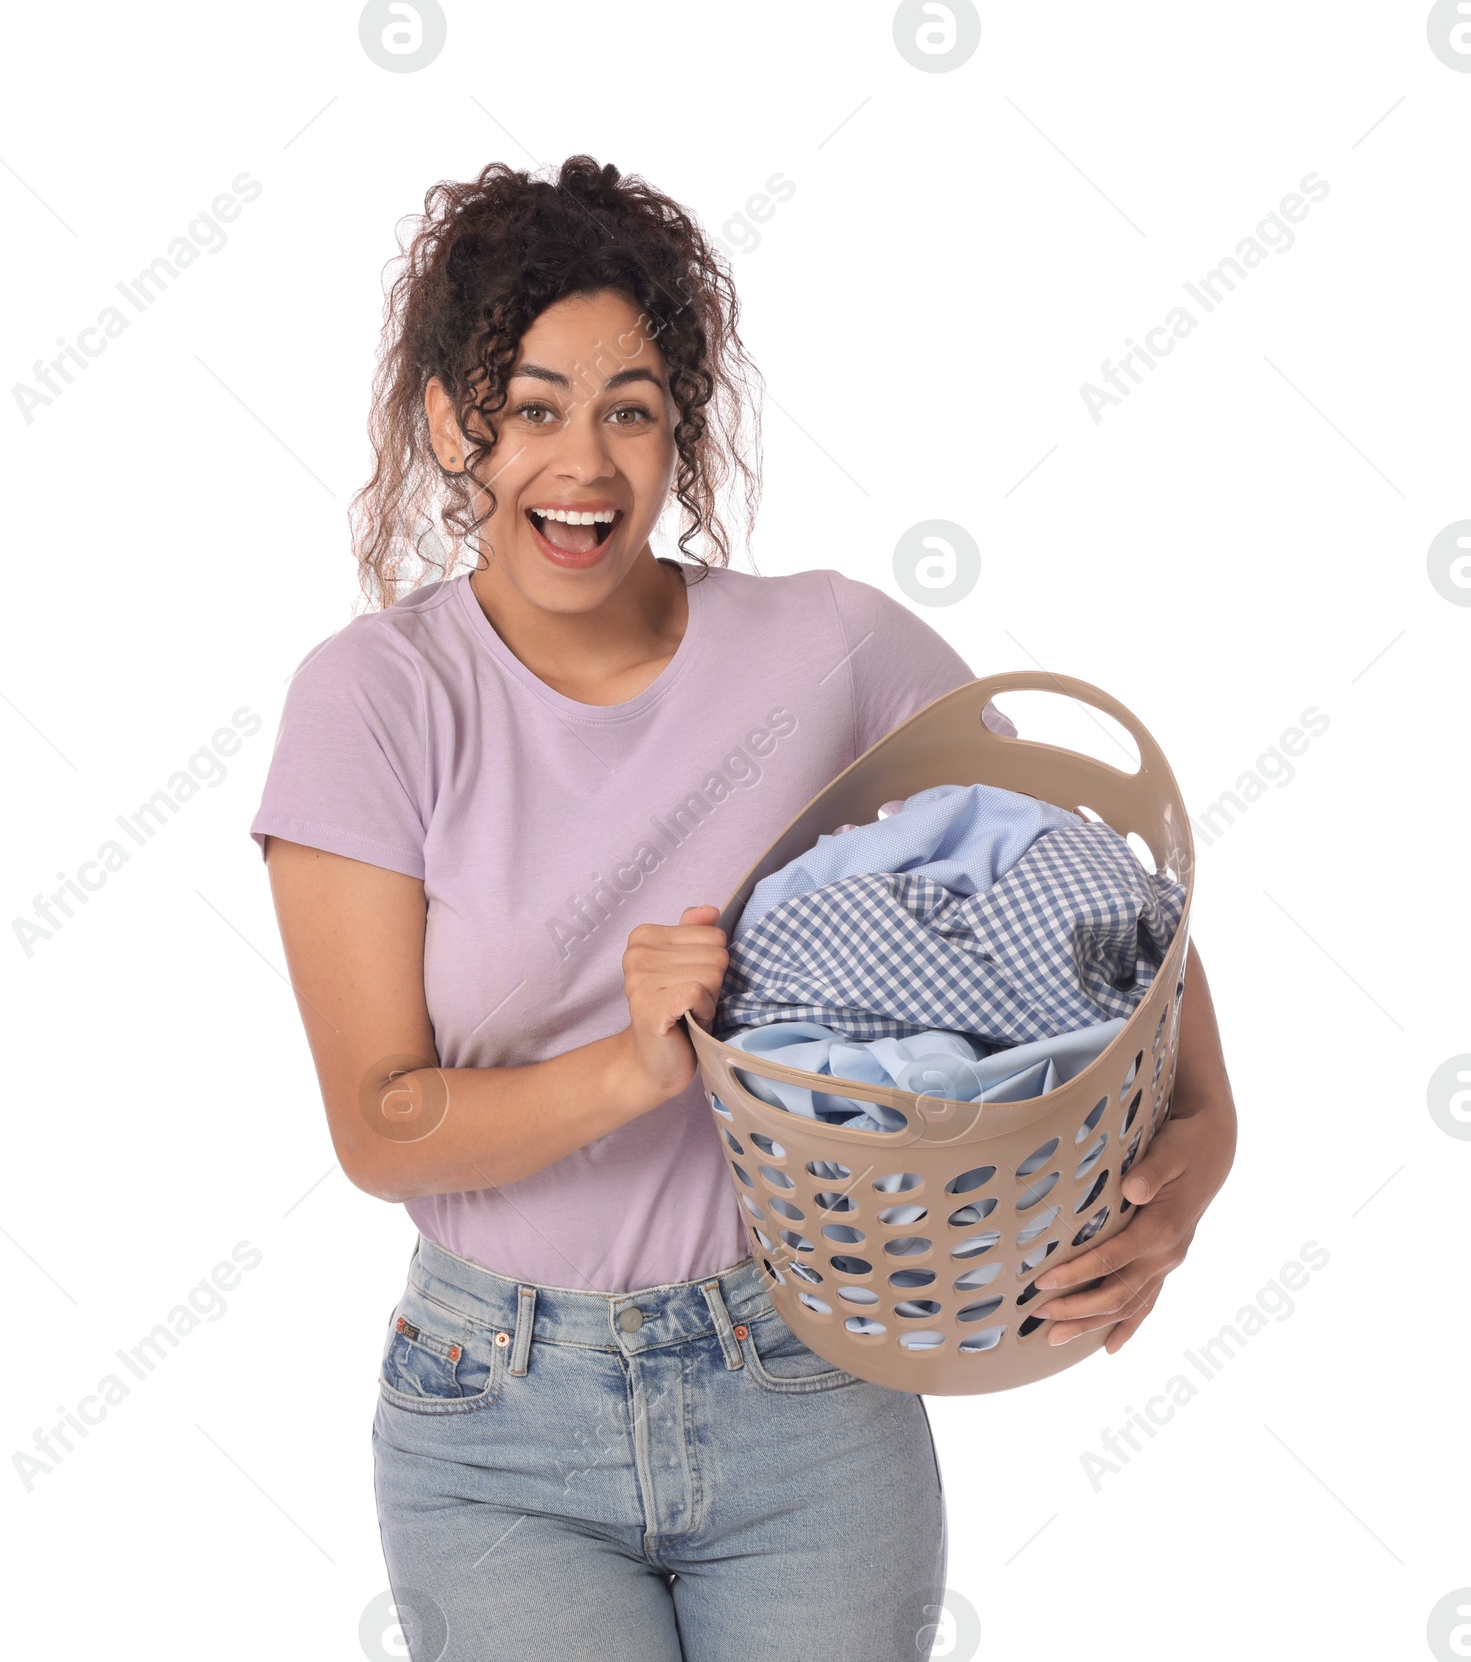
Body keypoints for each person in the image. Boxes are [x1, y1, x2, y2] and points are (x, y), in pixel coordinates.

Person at [249, 156, 1237, 1662]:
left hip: (809, 1385)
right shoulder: (377, 700)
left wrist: (1202, 1142)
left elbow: (1088, 886)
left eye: (630, 408)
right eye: (532, 408)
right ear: (455, 421)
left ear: (678, 431)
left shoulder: (828, 646)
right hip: (499, 1421)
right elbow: (381, 1123)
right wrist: (638, 1068)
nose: (584, 465)